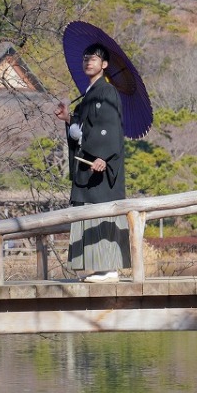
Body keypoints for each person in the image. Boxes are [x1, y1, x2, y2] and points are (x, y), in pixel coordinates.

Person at [55, 42, 130, 282]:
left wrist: (102, 157)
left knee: (102, 211)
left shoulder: (106, 92)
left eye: (94, 59)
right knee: (90, 212)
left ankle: (109, 268)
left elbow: (108, 128)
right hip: (88, 164)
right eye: (86, 58)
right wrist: (69, 117)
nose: (89, 61)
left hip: (99, 166)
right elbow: (82, 129)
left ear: (104, 65)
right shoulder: (89, 93)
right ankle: (99, 268)